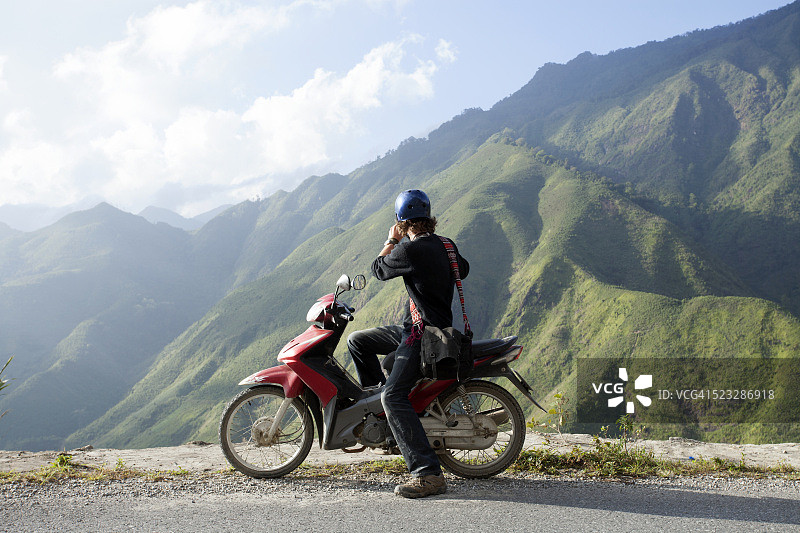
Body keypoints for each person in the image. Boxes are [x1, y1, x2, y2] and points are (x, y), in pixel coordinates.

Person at [347, 189, 469, 499]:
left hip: (422, 336)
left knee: (393, 397)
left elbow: (379, 269)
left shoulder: (409, 251)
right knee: (358, 341)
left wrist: (392, 240)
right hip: (414, 327)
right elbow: (463, 270)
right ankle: (381, 421)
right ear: (428, 218)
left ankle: (427, 474)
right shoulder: (446, 245)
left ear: (403, 223)